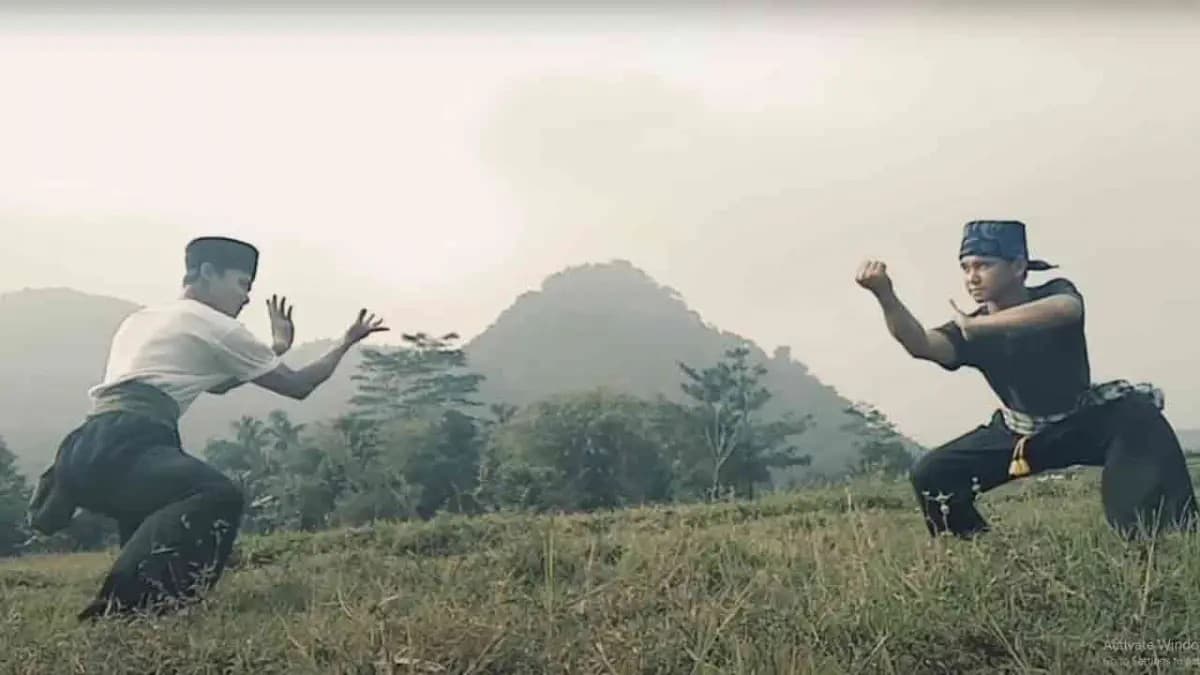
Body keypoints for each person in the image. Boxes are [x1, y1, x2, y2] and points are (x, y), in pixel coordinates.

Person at [27, 236, 389, 620]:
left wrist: (276, 348)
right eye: (242, 284)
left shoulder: (142, 319)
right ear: (207, 272)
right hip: (134, 439)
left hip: (87, 443)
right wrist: (346, 342)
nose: (246, 298)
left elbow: (218, 384)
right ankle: (119, 610)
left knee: (155, 511)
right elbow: (299, 386)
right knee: (217, 494)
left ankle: (142, 613)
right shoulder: (218, 326)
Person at [855, 220, 1197, 540]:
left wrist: (980, 327)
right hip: (1021, 433)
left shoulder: (1053, 294)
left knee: (1140, 418)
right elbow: (920, 345)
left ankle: (1160, 540)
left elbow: (1066, 309)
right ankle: (977, 549)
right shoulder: (966, 331)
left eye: (983, 265)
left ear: (1018, 266)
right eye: (966, 267)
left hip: (1085, 422)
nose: (972, 277)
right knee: (931, 474)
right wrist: (885, 295)